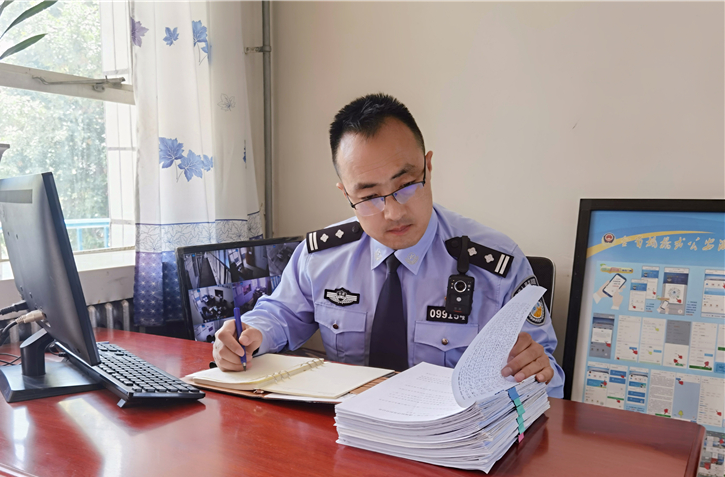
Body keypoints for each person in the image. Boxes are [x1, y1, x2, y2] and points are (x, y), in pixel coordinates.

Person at [214, 93, 565, 397]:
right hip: (346, 434)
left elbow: (549, 379)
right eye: (369, 197)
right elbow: (281, 314)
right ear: (346, 194)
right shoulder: (321, 256)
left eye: (407, 185)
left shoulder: (497, 265)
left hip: (450, 443)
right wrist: (250, 335)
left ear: (428, 167)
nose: (394, 212)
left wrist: (536, 371)